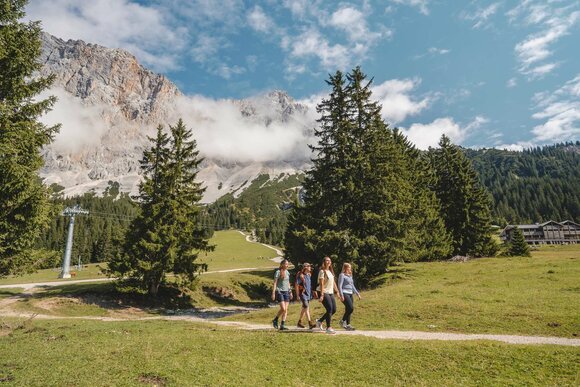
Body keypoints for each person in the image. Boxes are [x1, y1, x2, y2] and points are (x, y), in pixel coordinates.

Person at [315, 256, 340, 334]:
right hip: (323, 292)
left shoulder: (330, 271)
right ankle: (328, 328)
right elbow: (321, 284)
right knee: (329, 309)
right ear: (324, 262)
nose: (329, 262)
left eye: (330, 260)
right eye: (327, 260)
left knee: (334, 309)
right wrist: (322, 295)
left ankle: (320, 321)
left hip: (330, 292)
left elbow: (333, 283)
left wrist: (337, 292)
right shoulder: (322, 271)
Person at [338, 262, 361, 330]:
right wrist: (341, 295)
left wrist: (357, 293)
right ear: (345, 268)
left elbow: (352, 285)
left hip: (350, 293)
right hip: (344, 293)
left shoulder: (350, 276)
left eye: (350, 267)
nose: (350, 268)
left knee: (348, 309)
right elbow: (339, 285)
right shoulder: (342, 275)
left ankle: (348, 324)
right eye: (349, 267)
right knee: (351, 308)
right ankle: (342, 321)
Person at [272, 259, 293, 330]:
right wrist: (273, 293)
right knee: (283, 308)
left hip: (286, 291)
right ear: (282, 264)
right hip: (279, 291)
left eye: (288, 264)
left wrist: (290, 292)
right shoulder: (278, 272)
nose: (287, 265)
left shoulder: (287, 272)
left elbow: (288, 283)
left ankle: (282, 325)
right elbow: (275, 283)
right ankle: (275, 319)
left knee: (286, 309)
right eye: (286, 264)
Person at [295, 262, 316, 329]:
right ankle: (310, 323)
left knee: (304, 308)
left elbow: (309, 285)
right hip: (303, 294)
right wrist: (297, 295)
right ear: (305, 267)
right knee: (306, 306)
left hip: (308, 294)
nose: (310, 267)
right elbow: (296, 285)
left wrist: (312, 292)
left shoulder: (309, 275)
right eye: (309, 266)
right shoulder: (300, 275)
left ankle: (299, 322)